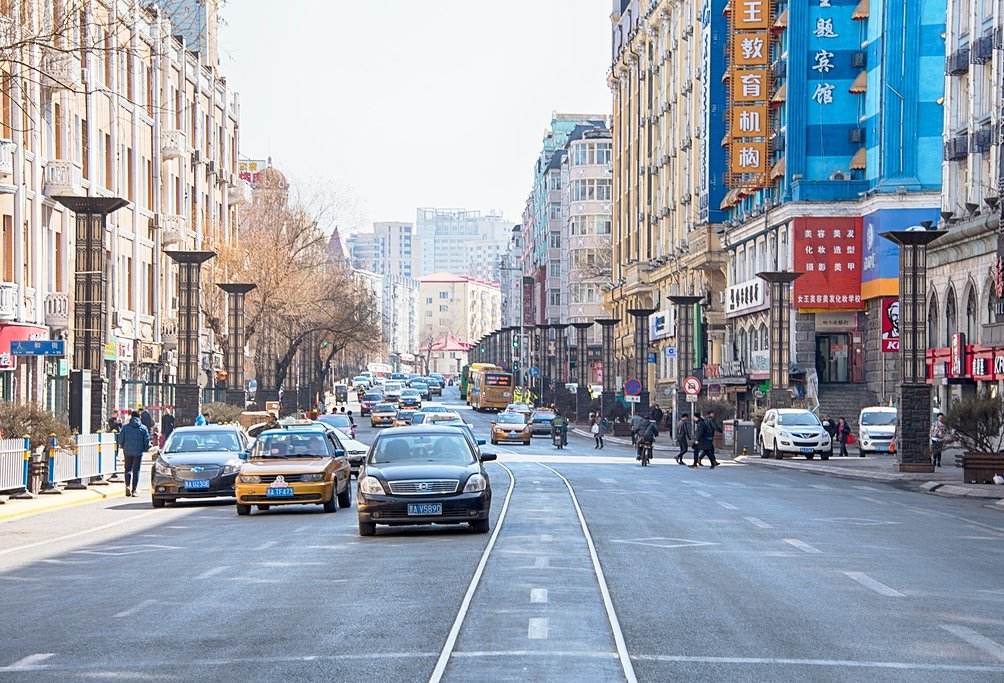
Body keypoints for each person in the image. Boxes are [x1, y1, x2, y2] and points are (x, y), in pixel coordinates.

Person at [117, 410, 150, 497]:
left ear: (131, 417)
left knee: (127, 469)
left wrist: (123, 446)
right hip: (138, 452)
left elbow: (120, 439)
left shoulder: (125, 427)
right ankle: (134, 490)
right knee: (136, 471)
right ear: (139, 417)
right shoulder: (143, 428)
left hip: (127, 451)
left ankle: (127, 485)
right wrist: (145, 449)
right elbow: (146, 440)